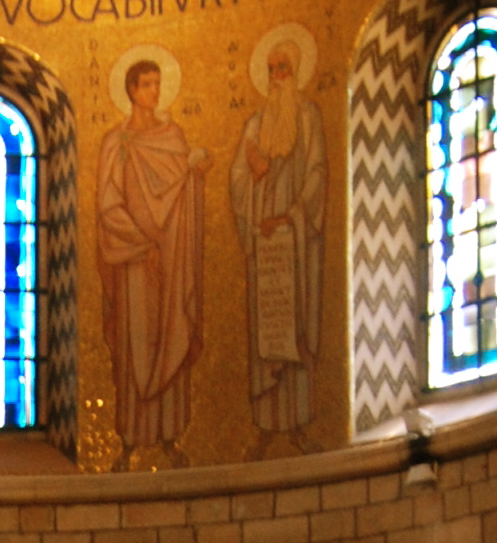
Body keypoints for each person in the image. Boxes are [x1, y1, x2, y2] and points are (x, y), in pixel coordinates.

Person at [97, 56, 206, 451]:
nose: (155, 92)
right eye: (147, 85)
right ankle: (131, 437)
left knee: (170, 331)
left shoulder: (173, 136)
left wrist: (195, 176)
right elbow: (108, 205)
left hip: (172, 259)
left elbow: (181, 194)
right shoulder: (116, 142)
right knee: (136, 345)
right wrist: (143, 244)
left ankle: (169, 435)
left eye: (158, 84)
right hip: (134, 261)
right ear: (131, 90)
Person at [227, 34, 327, 435]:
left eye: (282, 68)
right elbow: (238, 176)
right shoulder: (256, 124)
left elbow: (318, 171)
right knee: (267, 326)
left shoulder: (308, 116)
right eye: (270, 70)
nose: (275, 77)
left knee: (296, 318)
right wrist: (252, 175)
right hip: (265, 239)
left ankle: (301, 426)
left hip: (295, 236)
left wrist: (291, 215)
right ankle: (267, 428)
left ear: (296, 71)